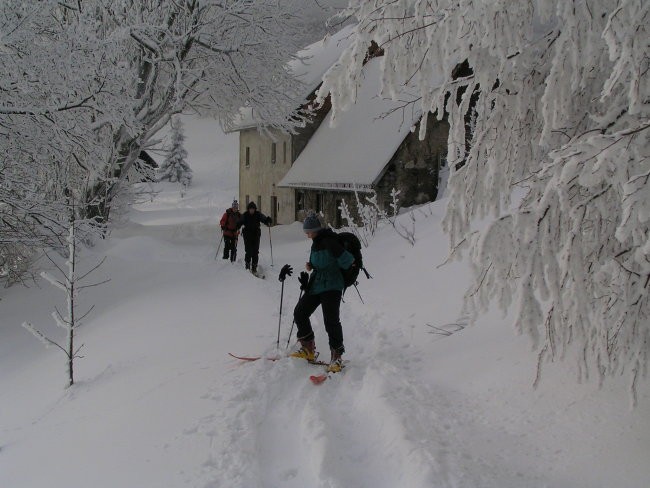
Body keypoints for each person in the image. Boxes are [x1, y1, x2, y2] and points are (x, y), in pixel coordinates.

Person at [290, 214, 354, 373]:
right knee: (300, 312)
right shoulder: (316, 242)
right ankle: (308, 348)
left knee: (331, 321)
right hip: (317, 284)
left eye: (308, 232)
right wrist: (311, 265)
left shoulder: (330, 242)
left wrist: (344, 270)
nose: (307, 234)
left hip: (332, 285)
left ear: (315, 230)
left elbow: (348, 261)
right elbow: (321, 259)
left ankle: (337, 356)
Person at [237, 201, 272, 273]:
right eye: (250, 209)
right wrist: (238, 225)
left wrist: (267, 220)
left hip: (256, 235)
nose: (252, 210)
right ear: (248, 209)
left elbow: (264, 219)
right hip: (247, 235)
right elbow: (240, 221)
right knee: (248, 251)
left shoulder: (258, 214)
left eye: (253, 209)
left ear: (255, 209)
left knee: (255, 252)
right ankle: (247, 266)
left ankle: (254, 267)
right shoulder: (245, 215)